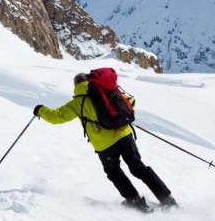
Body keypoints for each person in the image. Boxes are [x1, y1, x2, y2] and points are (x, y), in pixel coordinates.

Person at [34, 72, 176, 211]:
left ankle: (134, 200)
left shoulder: (78, 102)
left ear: (76, 85)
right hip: (125, 135)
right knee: (138, 167)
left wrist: (40, 110)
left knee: (114, 172)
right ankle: (167, 199)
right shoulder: (108, 90)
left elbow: (56, 117)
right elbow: (131, 101)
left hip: (105, 145)